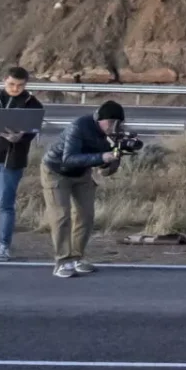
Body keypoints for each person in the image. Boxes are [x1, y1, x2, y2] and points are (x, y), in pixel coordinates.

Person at [40, 99, 125, 278]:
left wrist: (115, 157)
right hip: (56, 171)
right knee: (61, 216)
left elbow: (105, 171)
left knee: (85, 215)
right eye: (110, 122)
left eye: (118, 123)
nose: (113, 126)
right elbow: (69, 158)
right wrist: (102, 156)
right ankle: (62, 261)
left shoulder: (113, 136)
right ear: (99, 119)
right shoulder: (79, 127)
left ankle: (77, 257)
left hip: (82, 173)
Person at [0, 66, 45, 263]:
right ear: (4, 80)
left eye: (20, 85)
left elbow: (33, 130)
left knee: (5, 205)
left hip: (10, 162)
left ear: (26, 84)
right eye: (12, 84)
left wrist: (20, 137)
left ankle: (2, 246)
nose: (15, 89)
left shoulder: (33, 104)